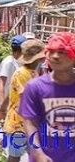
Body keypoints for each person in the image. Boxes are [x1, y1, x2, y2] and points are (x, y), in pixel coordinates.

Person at [20, 33, 75, 162]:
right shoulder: (35, 87)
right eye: (51, 51)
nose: (55, 56)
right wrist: (38, 153)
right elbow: (30, 123)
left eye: (62, 52)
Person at [0, 39, 45, 162]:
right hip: (19, 123)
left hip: (27, 123)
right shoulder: (22, 73)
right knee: (15, 157)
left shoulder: (33, 73)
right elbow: (25, 97)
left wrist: (2, 109)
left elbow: (10, 94)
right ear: (39, 58)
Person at [0, 35, 24, 107]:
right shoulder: (8, 62)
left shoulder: (20, 62)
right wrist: (2, 105)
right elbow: (1, 84)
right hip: (9, 104)